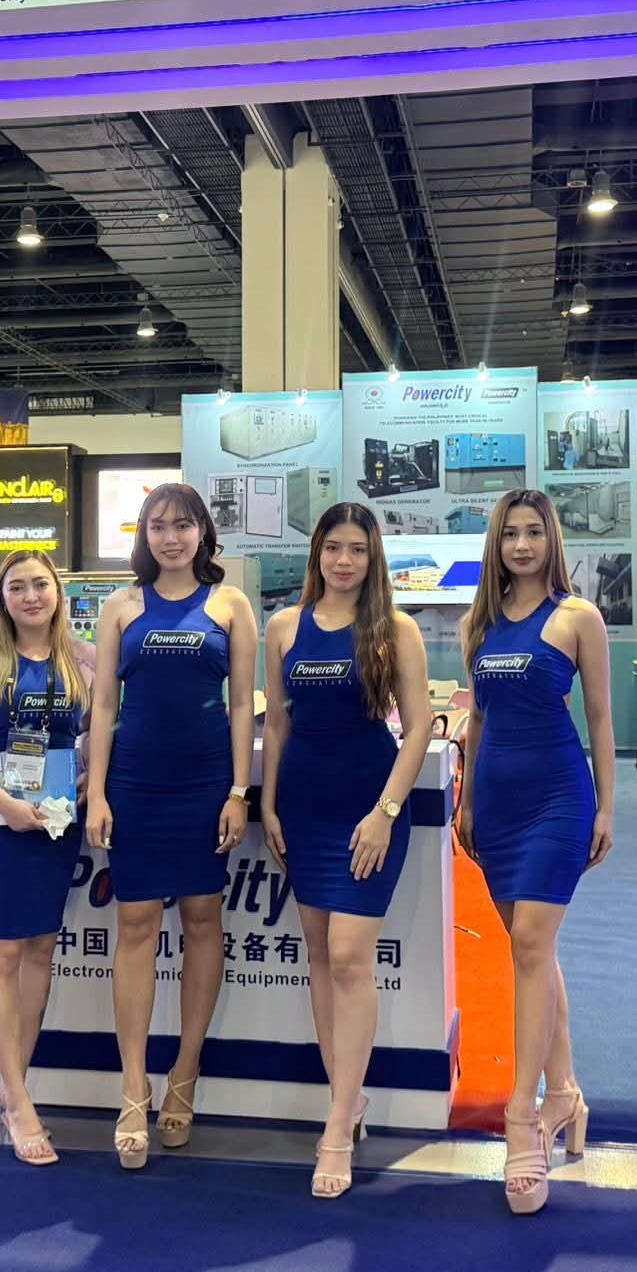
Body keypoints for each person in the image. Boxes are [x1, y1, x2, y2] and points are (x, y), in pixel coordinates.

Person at [260, 503, 432, 1199]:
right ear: (317, 554)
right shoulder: (283, 627)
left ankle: (335, 1128)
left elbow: (419, 729)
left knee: (350, 958)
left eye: (357, 549)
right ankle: (346, 1098)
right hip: (304, 807)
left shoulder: (395, 630)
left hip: (368, 809)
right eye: (333, 547)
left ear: (373, 557)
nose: (343, 561)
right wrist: (268, 802)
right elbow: (277, 722)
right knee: (319, 956)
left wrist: (385, 813)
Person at [84, 484, 257, 1170]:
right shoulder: (121, 607)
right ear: (144, 536)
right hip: (135, 783)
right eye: (158, 526)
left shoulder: (230, 605)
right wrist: (98, 793)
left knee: (203, 918)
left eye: (183, 526)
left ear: (202, 533)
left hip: (206, 783)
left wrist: (238, 791)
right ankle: (134, 1088)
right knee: (134, 923)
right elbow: (103, 705)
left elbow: (242, 704)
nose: (171, 537)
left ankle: (185, 1072)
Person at [457, 489, 614, 1215]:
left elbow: (601, 719)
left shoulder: (578, 618)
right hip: (495, 802)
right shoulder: (480, 623)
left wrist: (606, 806)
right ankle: (567, 1093)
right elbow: (478, 719)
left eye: (533, 533)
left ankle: (522, 1117)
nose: (521, 546)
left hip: (557, 798)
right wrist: (466, 800)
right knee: (534, 951)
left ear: (552, 540)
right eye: (510, 535)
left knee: (528, 942)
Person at [0, 550, 93, 1167]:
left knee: (41, 951)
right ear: (1, 599)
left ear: (58, 592)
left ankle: (13, 1087)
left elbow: (102, 731)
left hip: (54, 822)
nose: (31, 596)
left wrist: (85, 782)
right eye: (17, 587)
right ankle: (21, 1101)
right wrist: (5, 804)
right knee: (3, 953)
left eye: (41, 585)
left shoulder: (84, 659)